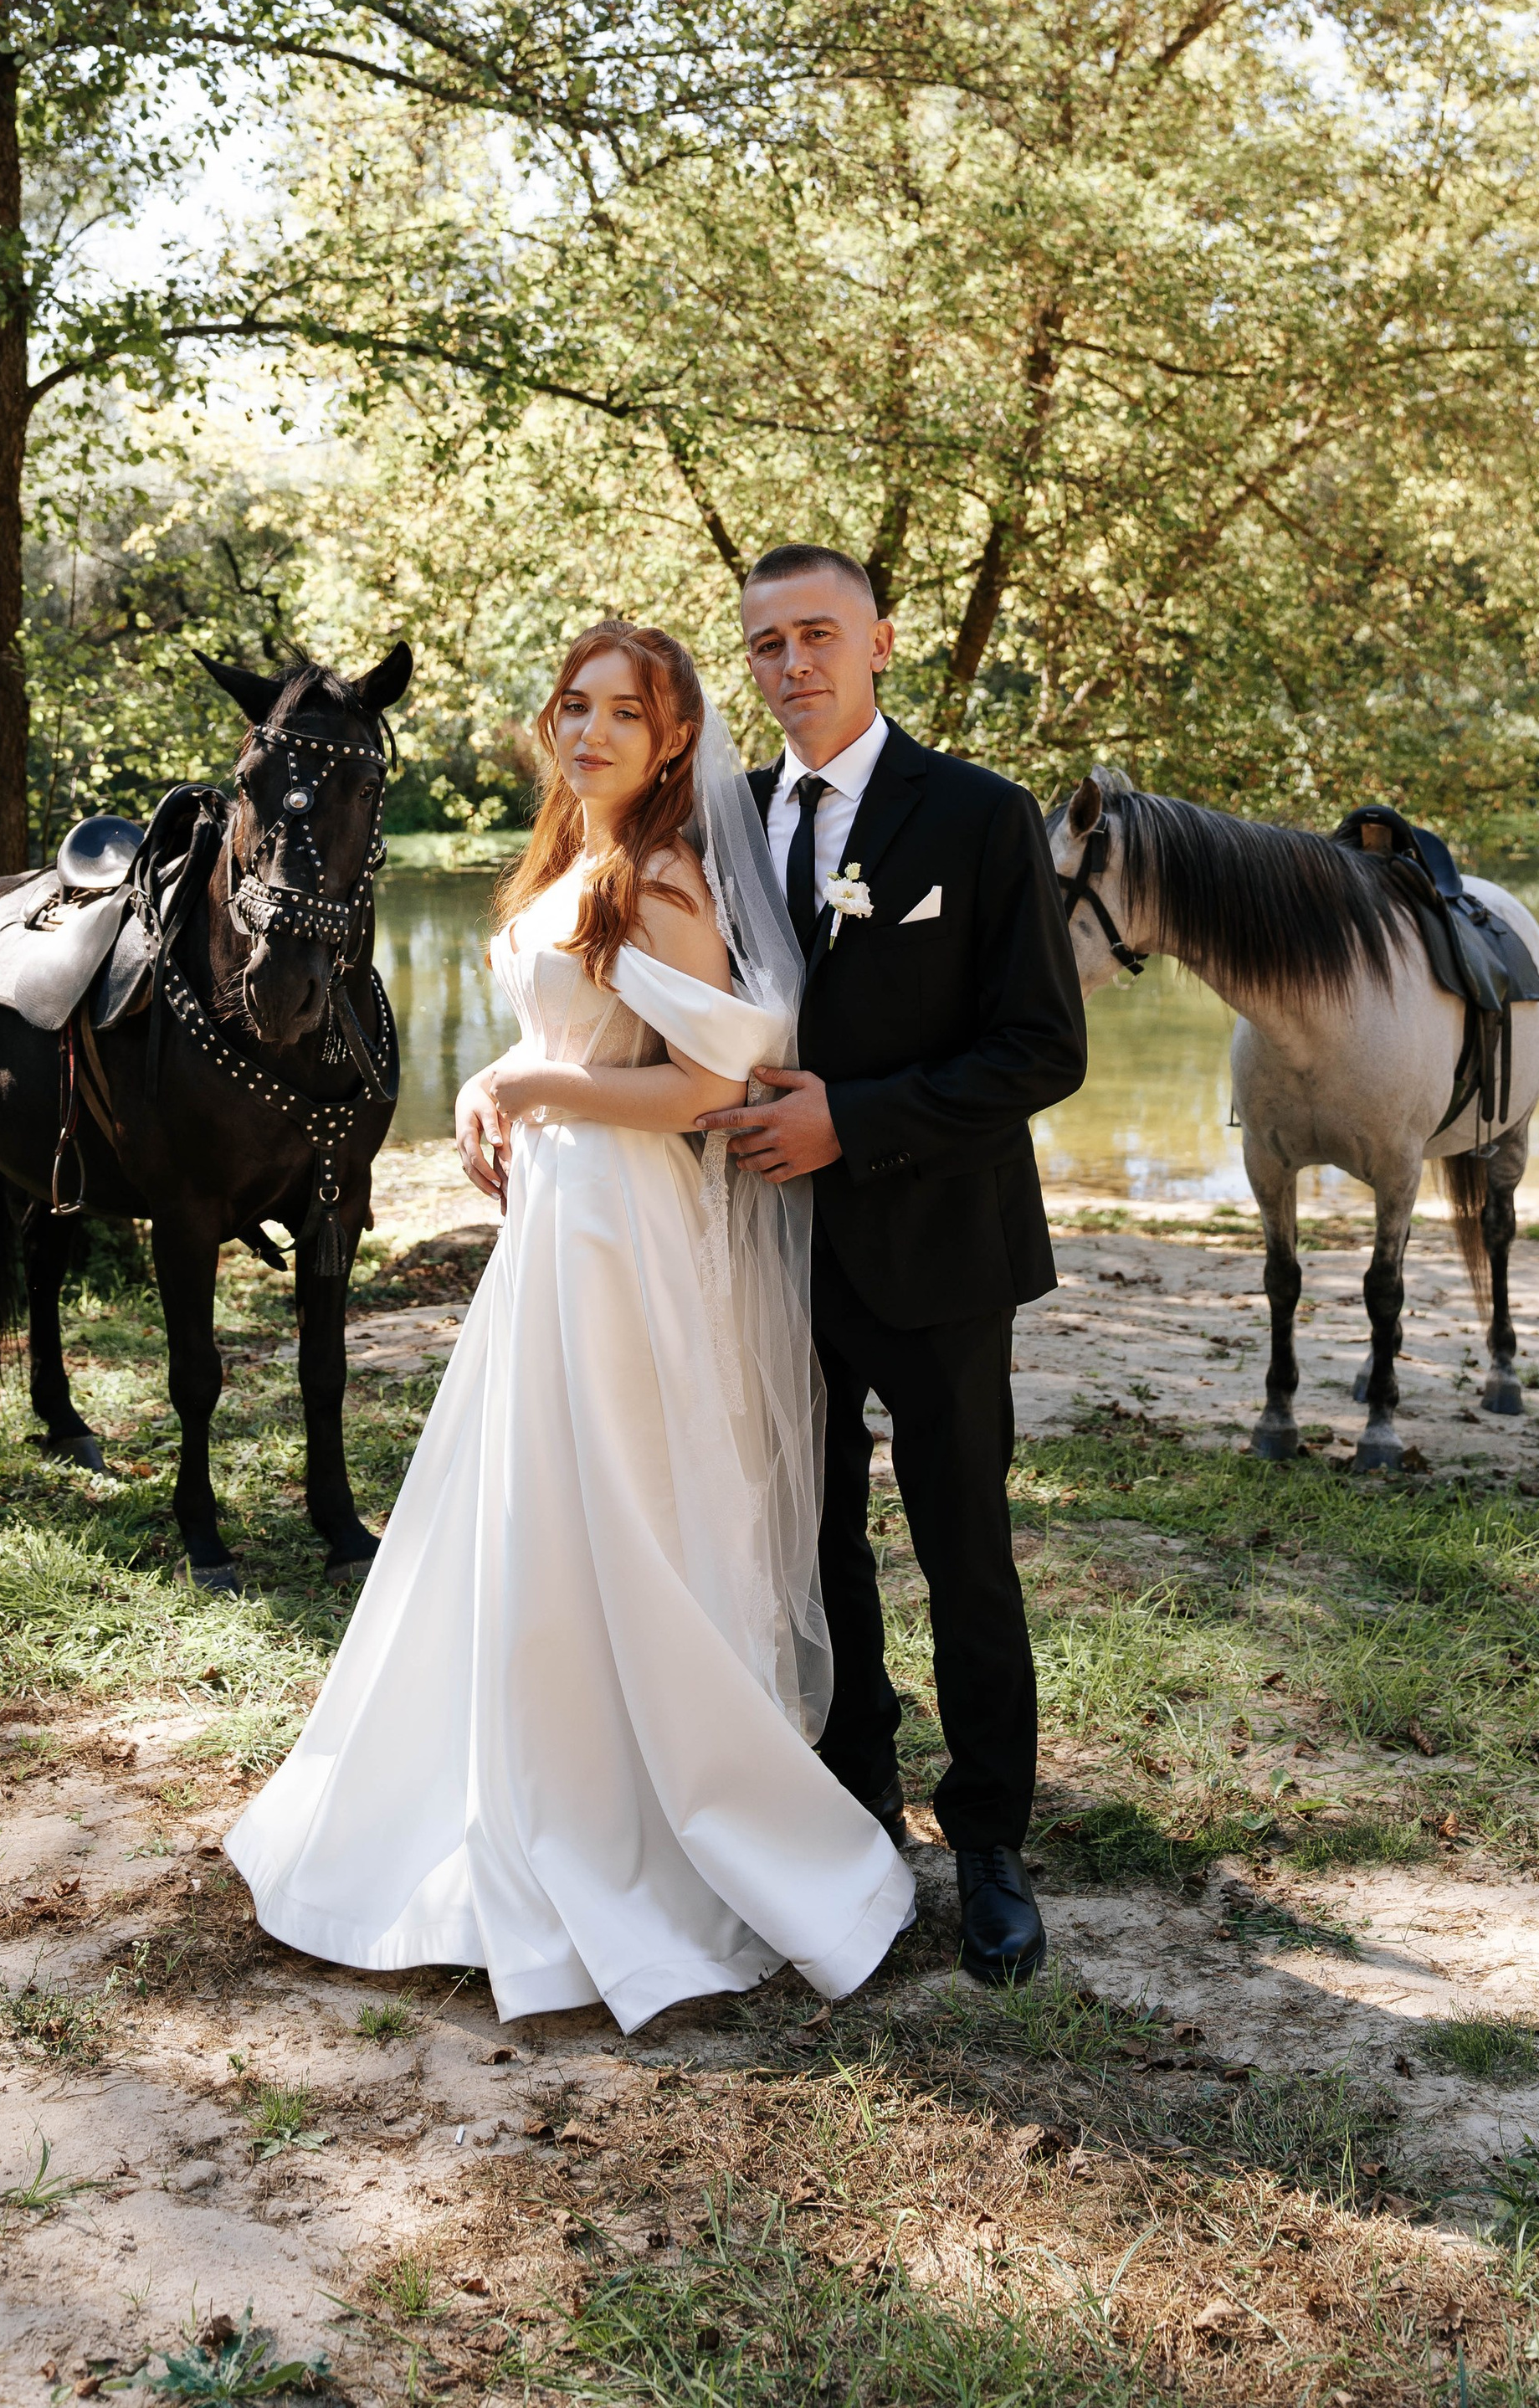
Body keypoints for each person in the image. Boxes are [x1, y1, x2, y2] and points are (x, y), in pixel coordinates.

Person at [225, 619, 916, 2031]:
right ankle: (511, 1786)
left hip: (623, 1231)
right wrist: (502, 1080)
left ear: (675, 742)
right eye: (574, 706)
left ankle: (652, 1820)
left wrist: (532, 1094)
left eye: (625, 714)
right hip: (559, 1223)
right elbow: (563, 1040)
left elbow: (693, 1093)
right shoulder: (567, 863)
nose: (591, 732)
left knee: (617, 1511)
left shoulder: (662, 878)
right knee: (529, 1515)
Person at [695, 545, 1087, 1987]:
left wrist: (848, 1124)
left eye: (817, 636)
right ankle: (856, 1798)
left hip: (937, 1247)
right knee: (807, 1535)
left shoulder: (981, 817)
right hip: (764, 1253)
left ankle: (987, 1837)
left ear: (882, 644)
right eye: (764, 645)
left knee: (962, 1544)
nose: (791, 665)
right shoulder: (722, 821)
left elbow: (1044, 1046)